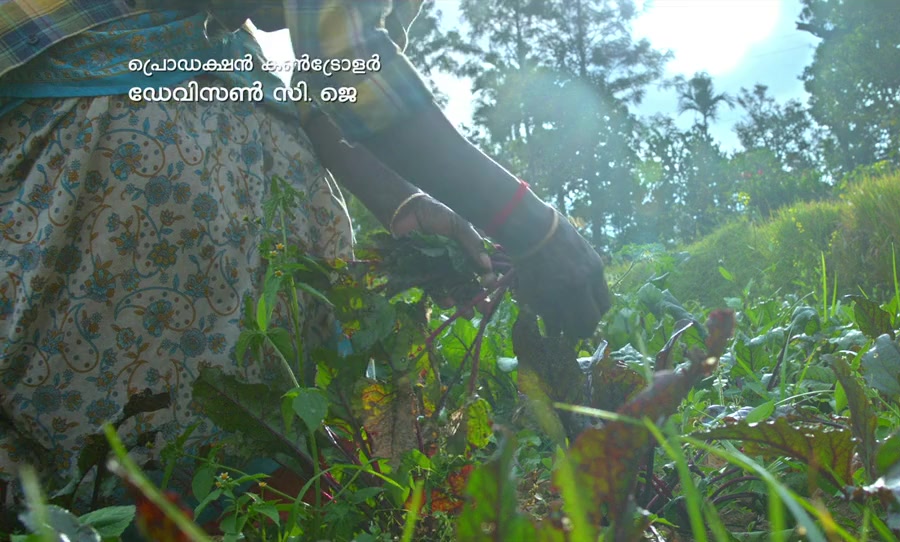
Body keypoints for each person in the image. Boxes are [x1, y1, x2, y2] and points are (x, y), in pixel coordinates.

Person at [0, 0, 610, 519]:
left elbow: (328, 77)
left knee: (250, 491)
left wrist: (400, 200)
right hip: (119, 167)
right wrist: (534, 228)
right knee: (121, 497)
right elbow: (343, 57)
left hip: (172, 174)